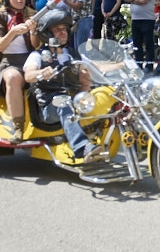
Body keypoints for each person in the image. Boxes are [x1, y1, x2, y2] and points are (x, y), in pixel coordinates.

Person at [23, 11, 105, 163]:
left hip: (72, 102)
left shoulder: (72, 54)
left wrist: (121, 65)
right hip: (49, 107)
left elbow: (90, 71)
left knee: (106, 95)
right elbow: (28, 75)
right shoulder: (39, 55)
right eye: (57, 29)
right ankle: (82, 147)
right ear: (48, 34)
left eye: (64, 29)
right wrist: (41, 72)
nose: (63, 32)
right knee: (63, 102)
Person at [0, 0, 37, 142]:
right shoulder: (1, 16)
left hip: (32, 60)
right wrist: (13, 32)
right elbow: (0, 47)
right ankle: (17, 127)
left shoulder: (33, 14)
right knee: (12, 77)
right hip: (9, 62)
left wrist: (33, 31)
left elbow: (37, 46)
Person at [124, 0, 156, 72]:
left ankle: (149, 65)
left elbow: (144, 0)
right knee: (137, 44)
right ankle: (139, 64)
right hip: (135, 19)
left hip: (147, 19)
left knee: (148, 43)